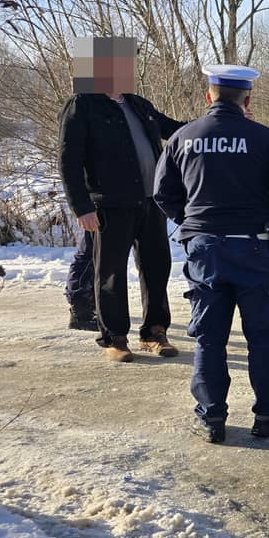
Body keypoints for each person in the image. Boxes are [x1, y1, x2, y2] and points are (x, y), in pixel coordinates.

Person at [153, 64, 269, 444]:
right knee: (263, 337)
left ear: (210, 96)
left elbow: (162, 194)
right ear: (247, 99)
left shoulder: (182, 138)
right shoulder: (264, 139)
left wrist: (190, 222)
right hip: (255, 248)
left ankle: (211, 418)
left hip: (206, 251)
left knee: (209, 338)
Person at [58, 36, 185, 361]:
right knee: (110, 273)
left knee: (157, 267)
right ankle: (115, 339)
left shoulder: (137, 103)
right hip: (109, 205)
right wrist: (82, 206)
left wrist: (220, 121)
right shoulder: (82, 104)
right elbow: (68, 161)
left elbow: (177, 130)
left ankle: (155, 332)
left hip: (150, 201)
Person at [65, 230, 97, 330]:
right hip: (96, 217)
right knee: (87, 257)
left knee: (103, 258)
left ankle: (94, 306)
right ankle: (80, 313)